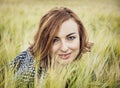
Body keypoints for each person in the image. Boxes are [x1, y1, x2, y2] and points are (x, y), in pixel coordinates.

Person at [10, 7, 93, 87]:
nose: (64, 48)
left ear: (80, 38)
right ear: (44, 42)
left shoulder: (86, 71)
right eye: (54, 40)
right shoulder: (30, 76)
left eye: (71, 38)